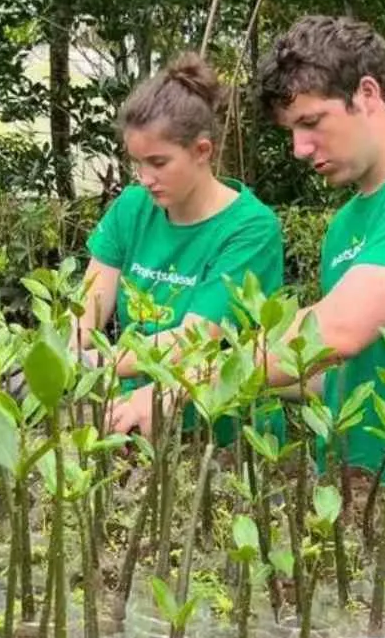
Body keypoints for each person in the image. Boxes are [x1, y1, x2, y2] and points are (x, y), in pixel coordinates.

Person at [113, 16, 385, 511]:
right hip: (364, 497)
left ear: (367, 94)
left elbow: (336, 331)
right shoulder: (345, 224)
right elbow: (334, 370)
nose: (300, 149)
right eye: (292, 130)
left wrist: (182, 389)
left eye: (311, 123)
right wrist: (236, 388)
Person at [79, 52, 284, 391]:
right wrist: (54, 359)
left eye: (158, 162)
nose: (145, 178)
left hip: (220, 425)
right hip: (132, 418)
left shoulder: (251, 229)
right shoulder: (131, 208)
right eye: (137, 163)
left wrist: (89, 364)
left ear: (202, 151)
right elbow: (89, 308)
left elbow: (195, 338)